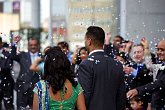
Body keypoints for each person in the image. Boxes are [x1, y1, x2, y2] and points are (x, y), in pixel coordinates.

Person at [77, 26, 126, 110]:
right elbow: (121, 97)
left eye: (85, 39)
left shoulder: (86, 64)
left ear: (89, 41)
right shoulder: (117, 64)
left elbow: (84, 96)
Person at [127, 40, 165, 109]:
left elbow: (158, 83)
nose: (159, 52)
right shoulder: (131, 67)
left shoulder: (151, 65)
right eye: (158, 49)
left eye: (162, 50)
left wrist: (137, 90)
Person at [14, 37, 41, 109]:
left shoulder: (43, 56)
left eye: (35, 45)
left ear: (38, 45)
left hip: (37, 88)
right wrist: (14, 43)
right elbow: (13, 56)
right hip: (23, 87)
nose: (33, 47)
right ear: (28, 46)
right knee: (21, 108)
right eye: (31, 45)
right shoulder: (22, 55)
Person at [0, 36, 18, 110]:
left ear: (1, 43)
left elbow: (12, 56)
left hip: (6, 83)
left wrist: (14, 43)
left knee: (9, 106)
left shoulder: (6, 52)